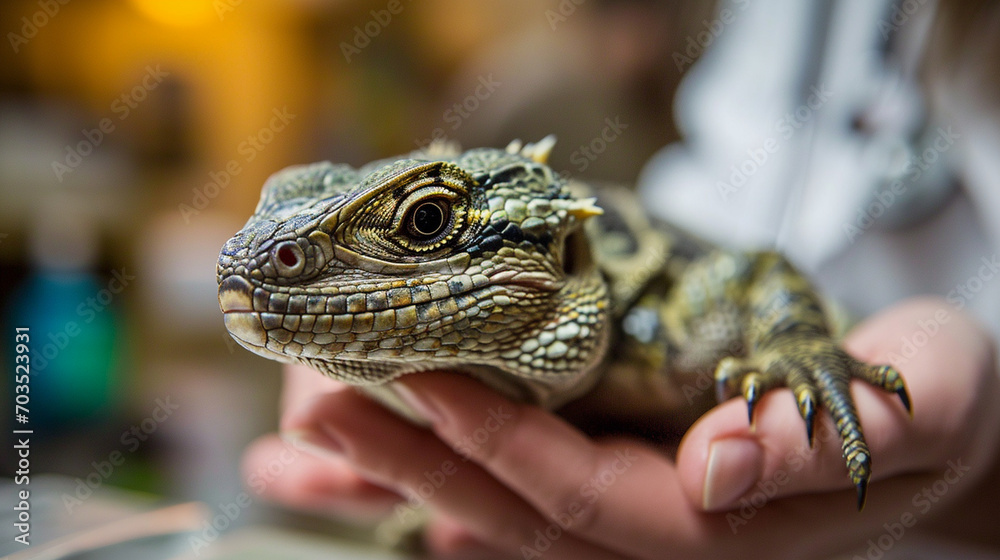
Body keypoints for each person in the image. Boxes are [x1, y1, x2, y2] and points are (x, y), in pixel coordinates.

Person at [242, 1, 1000, 557]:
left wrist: (979, 467)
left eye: (426, 224)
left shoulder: (670, 328)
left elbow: (755, 272)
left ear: (559, 253)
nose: (279, 262)